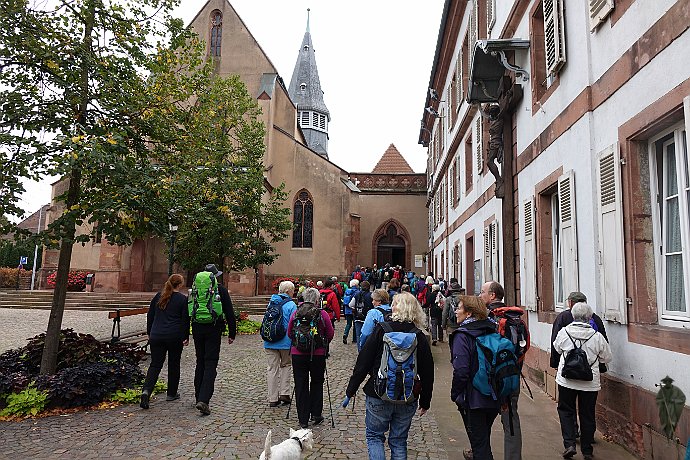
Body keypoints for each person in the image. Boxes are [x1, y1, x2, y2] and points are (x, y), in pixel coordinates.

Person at [343, 291, 434, 460]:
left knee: (375, 437)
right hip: (407, 395)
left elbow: (363, 363)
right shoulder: (419, 336)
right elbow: (428, 372)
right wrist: (425, 401)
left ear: (395, 308)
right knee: (399, 441)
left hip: (379, 392)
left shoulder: (381, 330)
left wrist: (351, 390)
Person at [553, 303, 612, 460]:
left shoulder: (564, 332)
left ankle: (570, 444)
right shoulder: (597, 336)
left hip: (566, 379)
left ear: (573, 316)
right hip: (589, 382)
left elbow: (557, 349)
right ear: (589, 317)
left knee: (566, 411)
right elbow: (607, 357)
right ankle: (587, 450)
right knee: (587, 414)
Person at [450, 295, 501, 460]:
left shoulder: (463, 335)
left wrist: (455, 394)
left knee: (480, 447)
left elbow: (461, 370)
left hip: (474, 398)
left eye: (459, 308)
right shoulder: (492, 329)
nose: (456, 311)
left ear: (469, 313)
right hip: (494, 394)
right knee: (483, 440)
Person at [479, 280, 521, 460]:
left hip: (489, 379)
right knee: (510, 419)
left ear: (492, 295)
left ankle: (479, 452)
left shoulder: (487, 317)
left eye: (483, 292)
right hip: (511, 376)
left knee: (481, 419)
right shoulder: (515, 318)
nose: (480, 296)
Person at [191, 264, 236, 416]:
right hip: (213, 329)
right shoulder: (221, 290)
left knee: (200, 362)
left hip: (197, 328)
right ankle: (204, 400)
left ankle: (198, 396)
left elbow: (188, 310)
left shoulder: (196, 290)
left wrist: (185, 334)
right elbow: (229, 312)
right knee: (210, 363)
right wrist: (232, 333)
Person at [140, 274, 190, 409]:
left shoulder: (158, 296)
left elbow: (150, 316)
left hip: (156, 335)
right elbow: (185, 320)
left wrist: (150, 333)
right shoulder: (182, 299)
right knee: (174, 364)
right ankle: (171, 393)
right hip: (174, 336)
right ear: (180, 285)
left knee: (155, 365)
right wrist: (185, 337)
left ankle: (146, 390)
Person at [287, 287, 335, 429]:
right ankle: (316, 414)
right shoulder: (322, 314)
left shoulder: (296, 313)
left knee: (300, 385)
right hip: (317, 354)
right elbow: (330, 333)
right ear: (316, 300)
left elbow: (289, 332)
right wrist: (322, 344)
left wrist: (298, 344)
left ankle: (303, 419)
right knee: (317, 382)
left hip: (297, 354)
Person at [264, 280, 298, 407]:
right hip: (285, 342)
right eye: (293, 291)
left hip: (270, 341)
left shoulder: (272, 302)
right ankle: (284, 393)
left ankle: (272, 398)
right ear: (288, 291)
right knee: (286, 365)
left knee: (272, 369)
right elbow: (293, 324)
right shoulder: (291, 305)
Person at [342, 279, 360, 344]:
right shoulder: (357, 292)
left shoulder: (347, 291)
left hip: (347, 310)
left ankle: (345, 334)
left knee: (348, 324)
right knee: (355, 325)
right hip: (354, 310)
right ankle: (354, 339)